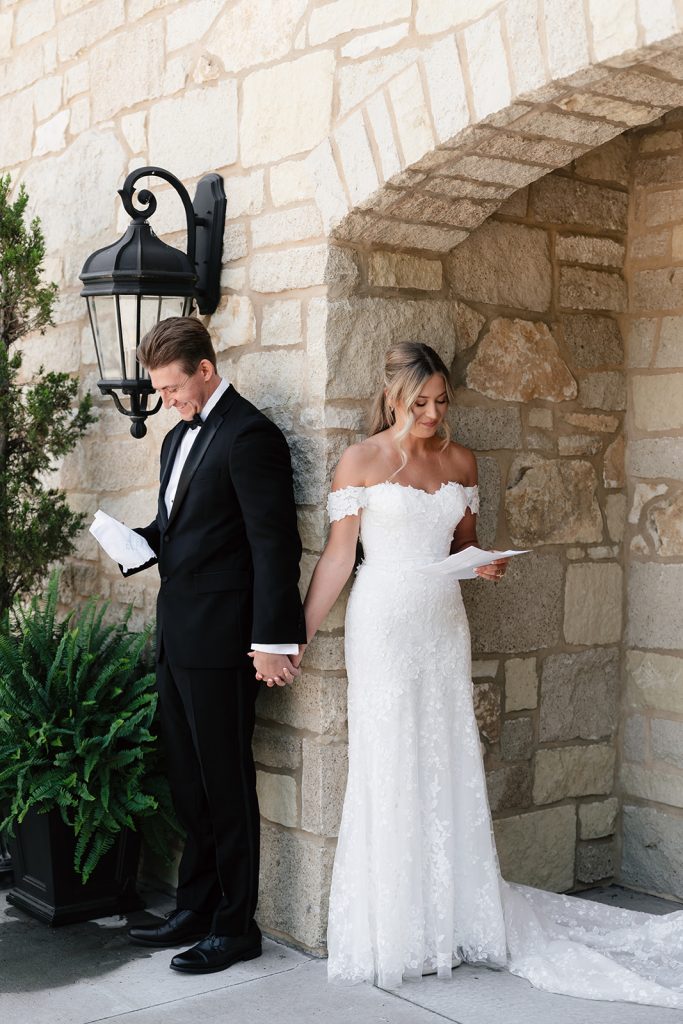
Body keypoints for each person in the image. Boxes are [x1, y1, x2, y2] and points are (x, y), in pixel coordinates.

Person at [286, 341, 683, 1008]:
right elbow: (337, 557)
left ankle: (453, 917)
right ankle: (394, 927)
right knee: (387, 759)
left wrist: (484, 564)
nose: (434, 413)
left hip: (442, 626)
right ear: (393, 397)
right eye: (421, 402)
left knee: (445, 755)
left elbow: (465, 545)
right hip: (382, 625)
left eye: (441, 400)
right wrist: (297, 635)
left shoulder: (461, 461)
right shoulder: (359, 462)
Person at [123, 317, 306, 974]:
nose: (169, 401)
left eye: (174, 388)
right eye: (161, 391)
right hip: (177, 635)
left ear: (205, 368)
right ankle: (194, 906)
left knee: (225, 786)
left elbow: (272, 544)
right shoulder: (176, 442)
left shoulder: (250, 436)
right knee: (189, 783)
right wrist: (137, 541)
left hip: (226, 643)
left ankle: (235, 926)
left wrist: (271, 640)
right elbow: (182, 530)